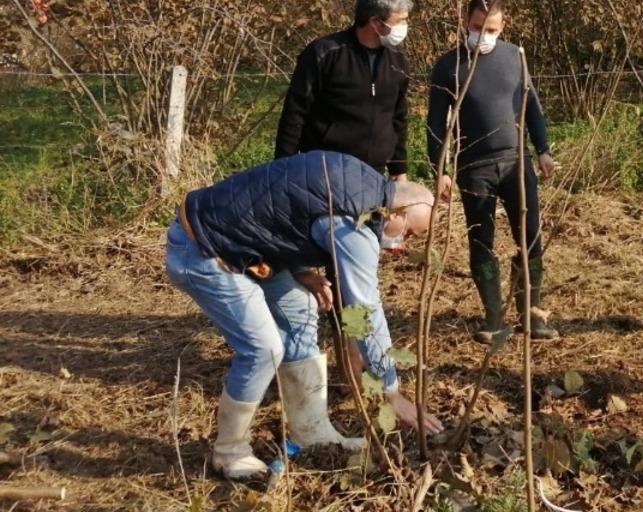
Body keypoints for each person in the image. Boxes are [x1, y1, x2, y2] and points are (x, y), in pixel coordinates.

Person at [164, 150, 444, 480]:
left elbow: (284, 204)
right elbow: (364, 310)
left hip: (241, 239)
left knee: (300, 308)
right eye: (409, 233)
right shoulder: (356, 226)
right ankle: (230, 451)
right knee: (263, 349)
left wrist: (300, 270)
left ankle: (310, 431)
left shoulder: (361, 178)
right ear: (395, 212)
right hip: (204, 248)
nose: (403, 245)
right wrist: (391, 390)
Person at [427, 0, 559, 344]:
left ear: (503, 27)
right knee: (481, 241)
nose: (484, 35)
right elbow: (435, 123)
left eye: (492, 29)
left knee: (529, 236)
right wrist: (440, 168)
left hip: (517, 162)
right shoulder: (448, 65)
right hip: (474, 166)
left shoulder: (515, 57)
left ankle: (532, 313)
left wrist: (543, 150)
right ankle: (494, 317)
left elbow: (532, 107)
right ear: (464, 22)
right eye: (477, 27)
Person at [276, 0, 413, 178]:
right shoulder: (325, 53)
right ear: (375, 22)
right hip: (325, 169)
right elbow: (294, 113)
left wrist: (399, 169)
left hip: (374, 172)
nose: (404, 26)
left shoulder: (397, 60)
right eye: (399, 20)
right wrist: (283, 168)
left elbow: (397, 117)